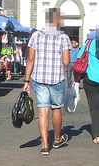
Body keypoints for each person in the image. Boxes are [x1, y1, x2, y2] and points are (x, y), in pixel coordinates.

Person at [23, 8, 71, 157]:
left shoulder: (35, 36)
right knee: (56, 108)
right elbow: (66, 61)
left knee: (42, 110)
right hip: (57, 78)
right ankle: (57, 139)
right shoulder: (64, 38)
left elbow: (30, 59)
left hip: (39, 78)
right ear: (57, 20)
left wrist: (26, 80)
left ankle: (44, 145)